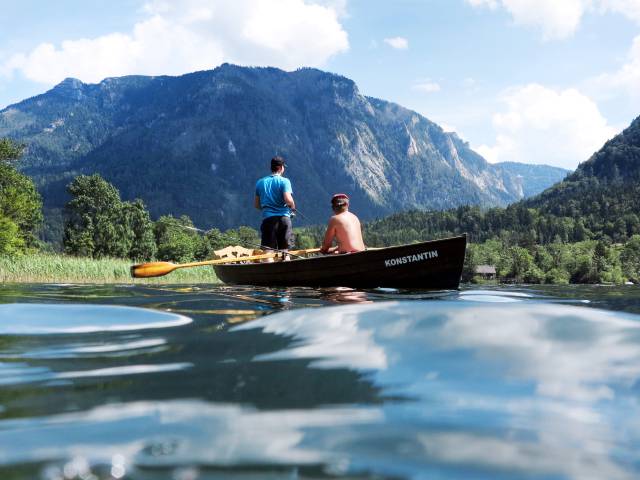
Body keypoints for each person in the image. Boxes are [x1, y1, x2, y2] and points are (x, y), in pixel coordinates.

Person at [254, 156, 295, 252]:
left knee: (268, 252)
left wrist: (268, 208)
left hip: (268, 220)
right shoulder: (285, 181)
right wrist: (292, 207)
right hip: (284, 219)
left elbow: (256, 205)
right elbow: (288, 200)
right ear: (281, 168)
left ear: (271, 167)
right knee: (285, 252)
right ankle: (286, 266)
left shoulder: (260, 182)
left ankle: (270, 266)